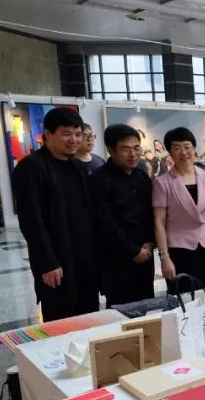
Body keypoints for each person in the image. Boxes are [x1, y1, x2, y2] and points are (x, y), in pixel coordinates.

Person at [12, 108, 98, 320]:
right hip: (56, 258)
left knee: (89, 314)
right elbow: (31, 219)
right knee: (61, 317)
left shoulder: (77, 166)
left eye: (78, 134)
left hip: (84, 256)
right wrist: (47, 262)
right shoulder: (31, 167)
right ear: (48, 134)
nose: (74, 140)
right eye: (66, 134)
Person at [153, 127, 205, 293]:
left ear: (194, 148)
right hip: (179, 250)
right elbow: (159, 222)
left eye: (187, 146)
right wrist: (164, 257)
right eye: (177, 148)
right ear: (170, 153)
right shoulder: (162, 183)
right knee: (183, 297)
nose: (183, 152)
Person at [89, 124, 156, 307]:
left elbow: (151, 213)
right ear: (111, 150)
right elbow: (104, 223)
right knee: (121, 310)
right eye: (125, 149)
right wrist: (133, 251)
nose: (133, 154)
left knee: (148, 306)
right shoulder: (99, 179)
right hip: (117, 259)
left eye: (136, 148)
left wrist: (150, 242)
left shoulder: (142, 177)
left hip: (145, 255)